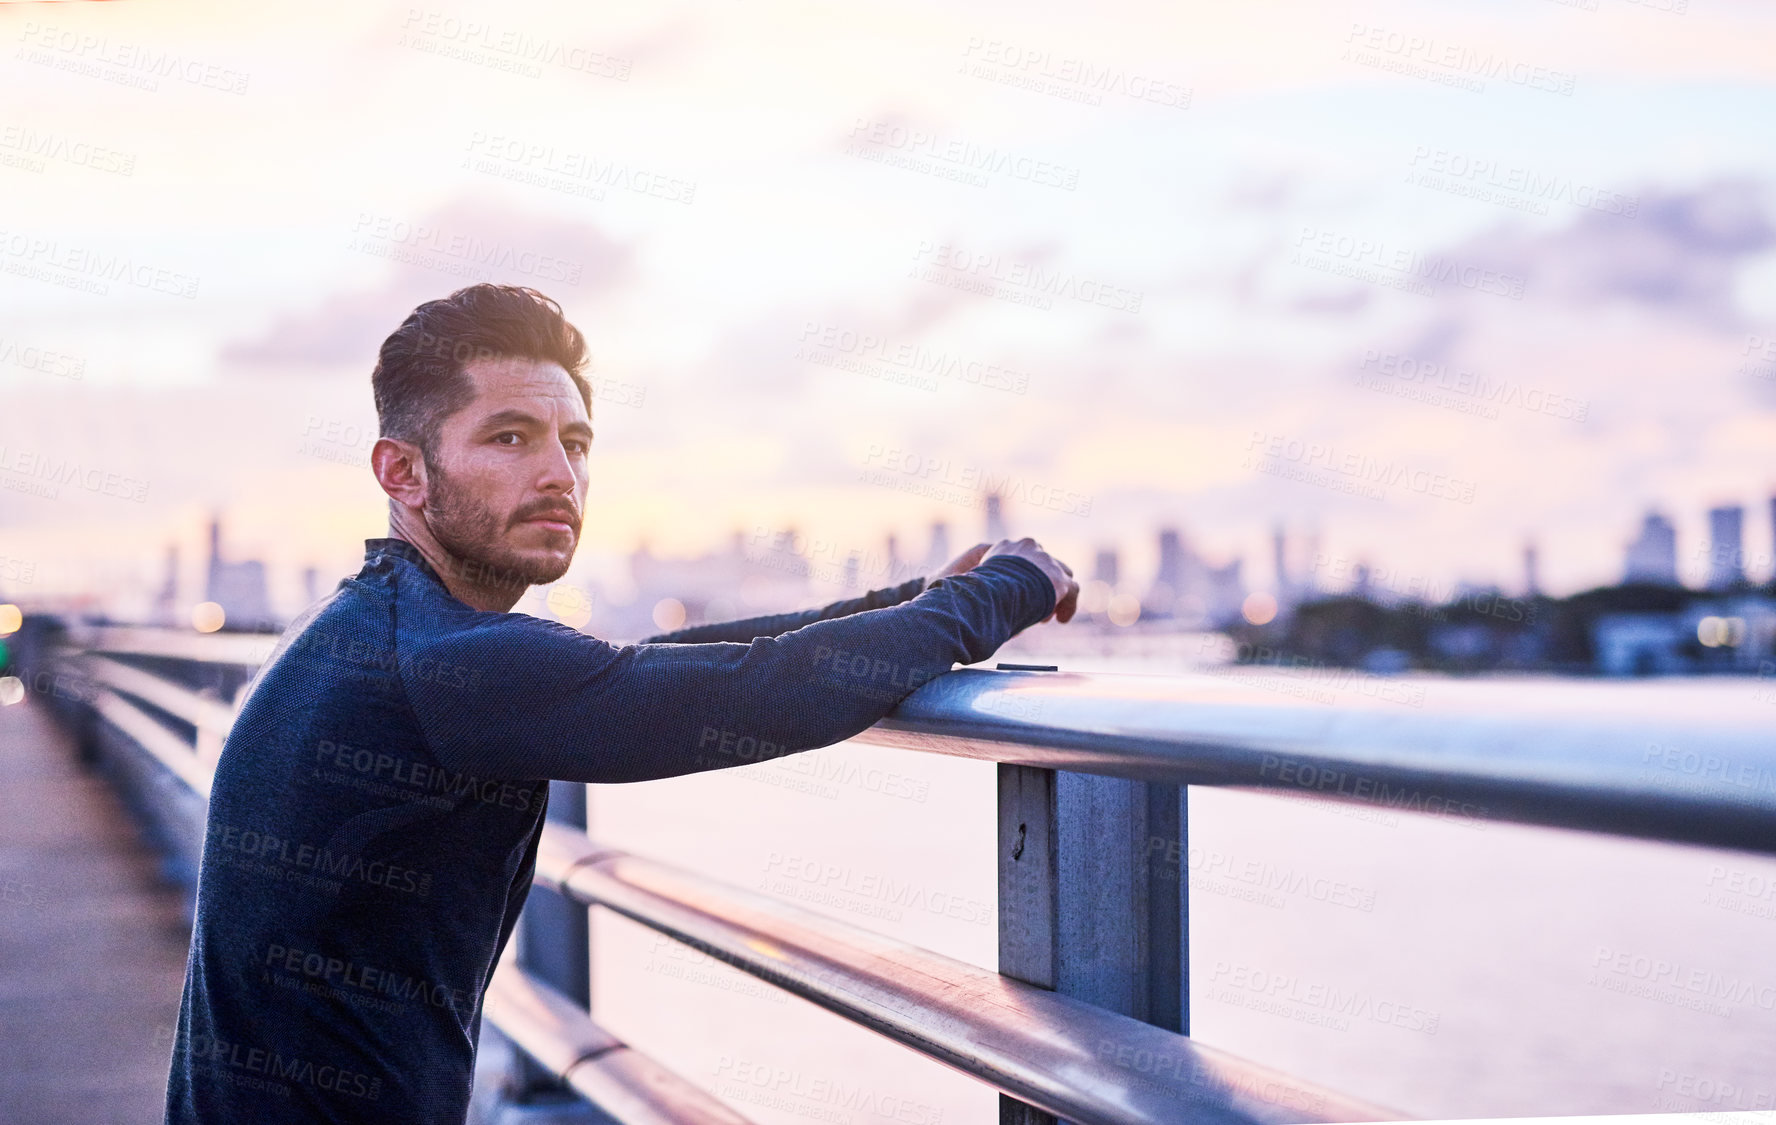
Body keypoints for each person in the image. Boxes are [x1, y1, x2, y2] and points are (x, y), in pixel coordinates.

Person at [163, 283, 1078, 1123]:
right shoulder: (436, 660)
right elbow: (759, 692)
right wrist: (1003, 592)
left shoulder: (390, 626)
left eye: (577, 443)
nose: (560, 473)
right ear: (401, 472)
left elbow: (655, 664)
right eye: (509, 437)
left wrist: (908, 600)